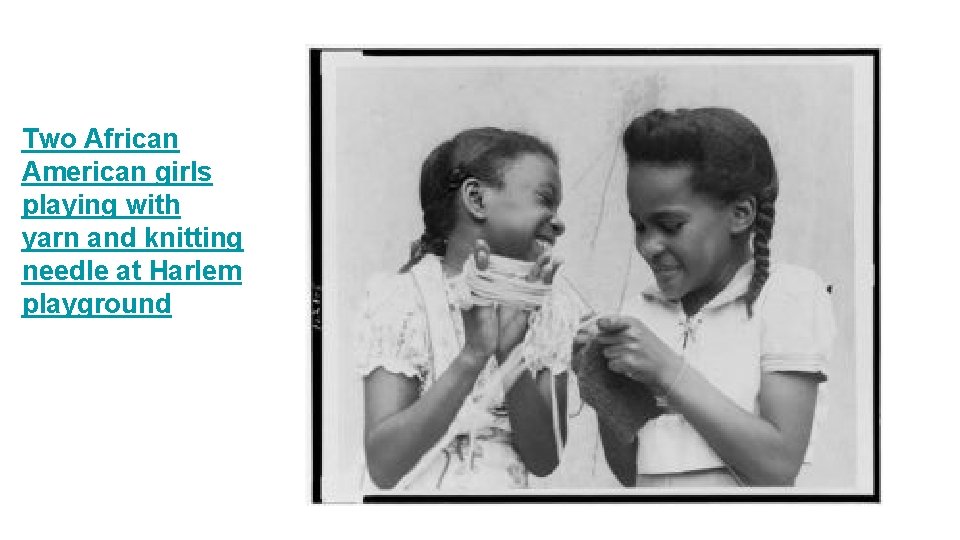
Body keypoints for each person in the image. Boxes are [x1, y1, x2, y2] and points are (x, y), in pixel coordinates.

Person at [578, 108, 835, 487]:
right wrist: (602, 381)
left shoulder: (788, 295)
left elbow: (778, 466)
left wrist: (666, 370)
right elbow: (629, 473)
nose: (649, 246)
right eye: (639, 225)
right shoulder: (639, 312)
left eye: (670, 226)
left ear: (741, 214)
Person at [357, 127, 590, 490]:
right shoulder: (403, 299)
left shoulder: (551, 307)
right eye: (545, 200)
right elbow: (384, 467)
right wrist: (474, 354)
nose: (559, 221)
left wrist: (512, 352)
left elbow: (544, 460)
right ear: (477, 199)